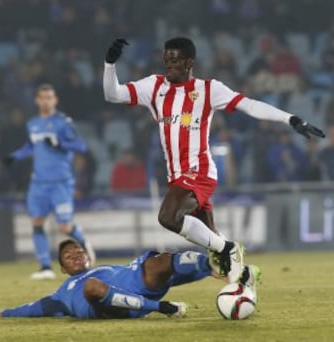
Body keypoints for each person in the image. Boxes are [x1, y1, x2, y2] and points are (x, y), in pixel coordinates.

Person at [103, 37, 325, 283]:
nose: (168, 65)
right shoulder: (153, 87)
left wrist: (291, 119)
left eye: (174, 60)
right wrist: (110, 64)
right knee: (215, 250)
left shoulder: (208, 89)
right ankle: (243, 279)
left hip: (199, 171)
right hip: (176, 176)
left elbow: (249, 105)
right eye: (166, 59)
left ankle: (228, 247)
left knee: (169, 218)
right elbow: (113, 94)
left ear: (189, 62)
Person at [0, 239, 261, 319]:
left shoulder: (108, 268)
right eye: (67, 254)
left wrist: (210, 274)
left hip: (139, 282)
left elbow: (172, 277)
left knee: (164, 260)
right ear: (63, 268)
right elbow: (32, 309)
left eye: (77, 249)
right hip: (110, 304)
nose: (75, 253)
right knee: (92, 287)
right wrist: (5, 314)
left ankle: (223, 265)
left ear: (88, 255)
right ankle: (217, 263)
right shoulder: (62, 294)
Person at [3, 84, 95, 280]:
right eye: (42, 97)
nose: (46, 101)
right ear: (37, 100)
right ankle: (45, 267)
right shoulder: (32, 123)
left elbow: (80, 145)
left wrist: (60, 143)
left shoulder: (63, 122)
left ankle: (84, 244)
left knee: (64, 227)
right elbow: (32, 146)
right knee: (36, 222)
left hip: (60, 182)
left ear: (55, 100)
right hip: (38, 183)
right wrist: (15, 156)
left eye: (49, 97)